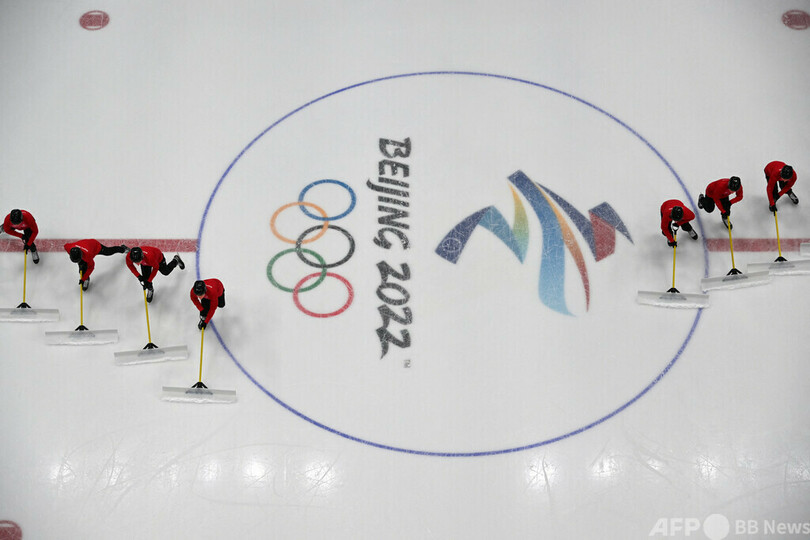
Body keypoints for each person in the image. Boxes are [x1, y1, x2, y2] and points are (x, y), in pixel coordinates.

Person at [63, 239, 128, 291]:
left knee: (108, 251)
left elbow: (91, 267)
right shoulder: (68, 247)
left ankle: (123, 249)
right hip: (85, 246)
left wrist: (83, 278)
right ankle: (85, 277)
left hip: (95, 245)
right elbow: (65, 245)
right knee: (82, 267)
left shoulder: (88, 256)